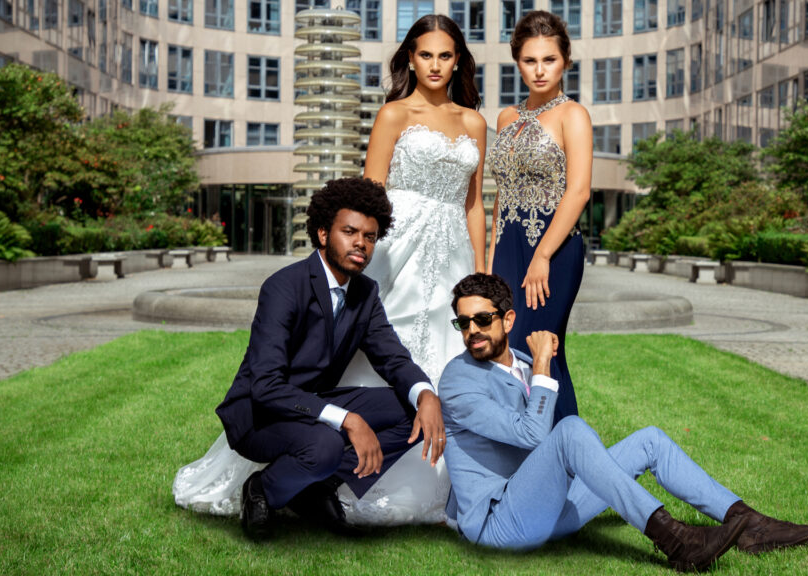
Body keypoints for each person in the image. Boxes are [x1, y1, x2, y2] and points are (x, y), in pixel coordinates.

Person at [173, 14, 484, 527]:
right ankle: (301, 472)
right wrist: (368, 247)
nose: (434, 65)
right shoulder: (391, 115)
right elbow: (369, 198)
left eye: (445, 55)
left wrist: (479, 269)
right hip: (397, 246)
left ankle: (375, 481)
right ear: (410, 57)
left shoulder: (474, 122)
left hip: (451, 250)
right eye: (425, 54)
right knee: (372, 348)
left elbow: (473, 205)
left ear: (457, 61)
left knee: (430, 369)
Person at [439, 273, 808, 572]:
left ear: (508, 320)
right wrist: (544, 364)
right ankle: (678, 543)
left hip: (547, 510)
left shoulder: (522, 365)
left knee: (650, 440)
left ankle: (751, 525)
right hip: (498, 524)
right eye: (464, 323)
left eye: (482, 319)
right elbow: (533, 434)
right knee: (571, 430)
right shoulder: (458, 379)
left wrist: (536, 366)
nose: (472, 330)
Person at [211, 177, 445, 540]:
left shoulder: (365, 293)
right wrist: (348, 419)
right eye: (349, 232)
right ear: (323, 234)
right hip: (260, 412)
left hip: (314, 403)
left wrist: (426, 394)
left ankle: (316, 486)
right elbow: (266, 386)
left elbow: (393, 357)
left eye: (369, 237)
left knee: (416, 412)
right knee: (326, 445)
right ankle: (263, 490)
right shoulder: (284, 286)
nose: (360, 244)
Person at [487, 11, 589, 423]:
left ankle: (570, 455)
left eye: (549, 59)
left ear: (565, 60)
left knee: (540, 348)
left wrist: (543, 256)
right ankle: (537, 459)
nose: (539, 70)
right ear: (518, 63)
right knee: (508, 352)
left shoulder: (573, 115)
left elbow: (579, 191)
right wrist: (492, 259)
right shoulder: (505, 119)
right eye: (530, 61)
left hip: (553, 249)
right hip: (509, 248)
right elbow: (500, 194)